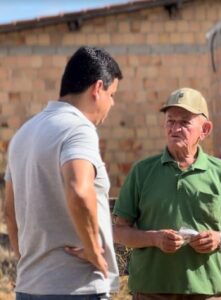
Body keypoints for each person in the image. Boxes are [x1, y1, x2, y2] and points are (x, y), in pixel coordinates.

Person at [4, 46, 123, 299]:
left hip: (28, 286)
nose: (112, 104)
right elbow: (79, 190)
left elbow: (10, 213)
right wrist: (92, 249)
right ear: (97, 88)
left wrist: (30, 262)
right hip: (76, 286)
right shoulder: (79, 128)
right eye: (112, 95)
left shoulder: (23, 134)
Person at [113, 87, 221, 300]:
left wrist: (220, 238)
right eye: (170, 121)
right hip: (151, 291)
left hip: (207, 291)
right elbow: (120, 230)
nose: (175, 128)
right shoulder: (142, 171)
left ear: (205, 129)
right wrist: (155, 239)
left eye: (184, 122)